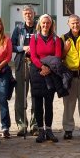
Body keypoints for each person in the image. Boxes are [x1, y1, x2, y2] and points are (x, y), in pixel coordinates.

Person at [29, 14, 63, 143]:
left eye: (48, 23)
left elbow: (58, 56)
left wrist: (48, 68)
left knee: (48, 102)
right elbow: (33, 56)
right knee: (37, 103)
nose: (45, 25)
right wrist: (42, 67)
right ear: (40, 24)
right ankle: (40, 131)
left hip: (51, 73)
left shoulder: (56, 39)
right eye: (43, 23)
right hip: (37, 72)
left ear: (51, 24)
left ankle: (49, 129)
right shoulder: (35, 38)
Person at [61, 14, 80, 140]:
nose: (75, 25)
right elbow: (60, 57)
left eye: (77, 22)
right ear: (68, 24)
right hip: (70, 76)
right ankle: (68, 129)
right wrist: (65, 49)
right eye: (72, 23)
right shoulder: (63, 38)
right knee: (69, 104)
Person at [10, 5, 37, 136]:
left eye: (30, 13)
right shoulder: (18, 29)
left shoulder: (39, 27)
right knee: (21, 96)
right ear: (23, 15)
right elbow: (12, 46)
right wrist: (23, 48)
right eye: (26, 13)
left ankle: (35, 124)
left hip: (36, 64)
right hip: (22, 63)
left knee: (36, 95)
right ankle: (22, 124)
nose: (28, 15)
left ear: (34, 14)